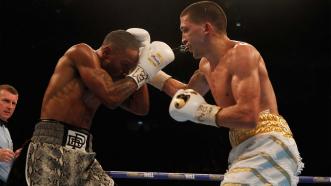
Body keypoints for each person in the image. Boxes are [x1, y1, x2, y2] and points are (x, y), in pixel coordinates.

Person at [149, 1, 303, 185]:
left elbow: (248, 116)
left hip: (269, 142)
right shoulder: (205, 65)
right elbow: (185, 98)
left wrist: (201, 112)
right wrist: (149, 73)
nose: (182, 38)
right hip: (242, 148)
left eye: (186, 30)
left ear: (206, 28)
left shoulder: (242, 54)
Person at [7, 28, 175, 185]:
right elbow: (111, 97)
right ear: (107, 52)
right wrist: (142, 73)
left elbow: (140, 107)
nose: (126, 73)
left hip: (83, 150)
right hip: (51, 146)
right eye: (125, 65)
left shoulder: (111, 79)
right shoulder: (82, 52)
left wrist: (142, 67)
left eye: (129, 69)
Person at [0, 84, 21, 185]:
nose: (10, 107)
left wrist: (16, 157)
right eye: (6, 101)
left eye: (14, 103)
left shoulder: (5, 129)